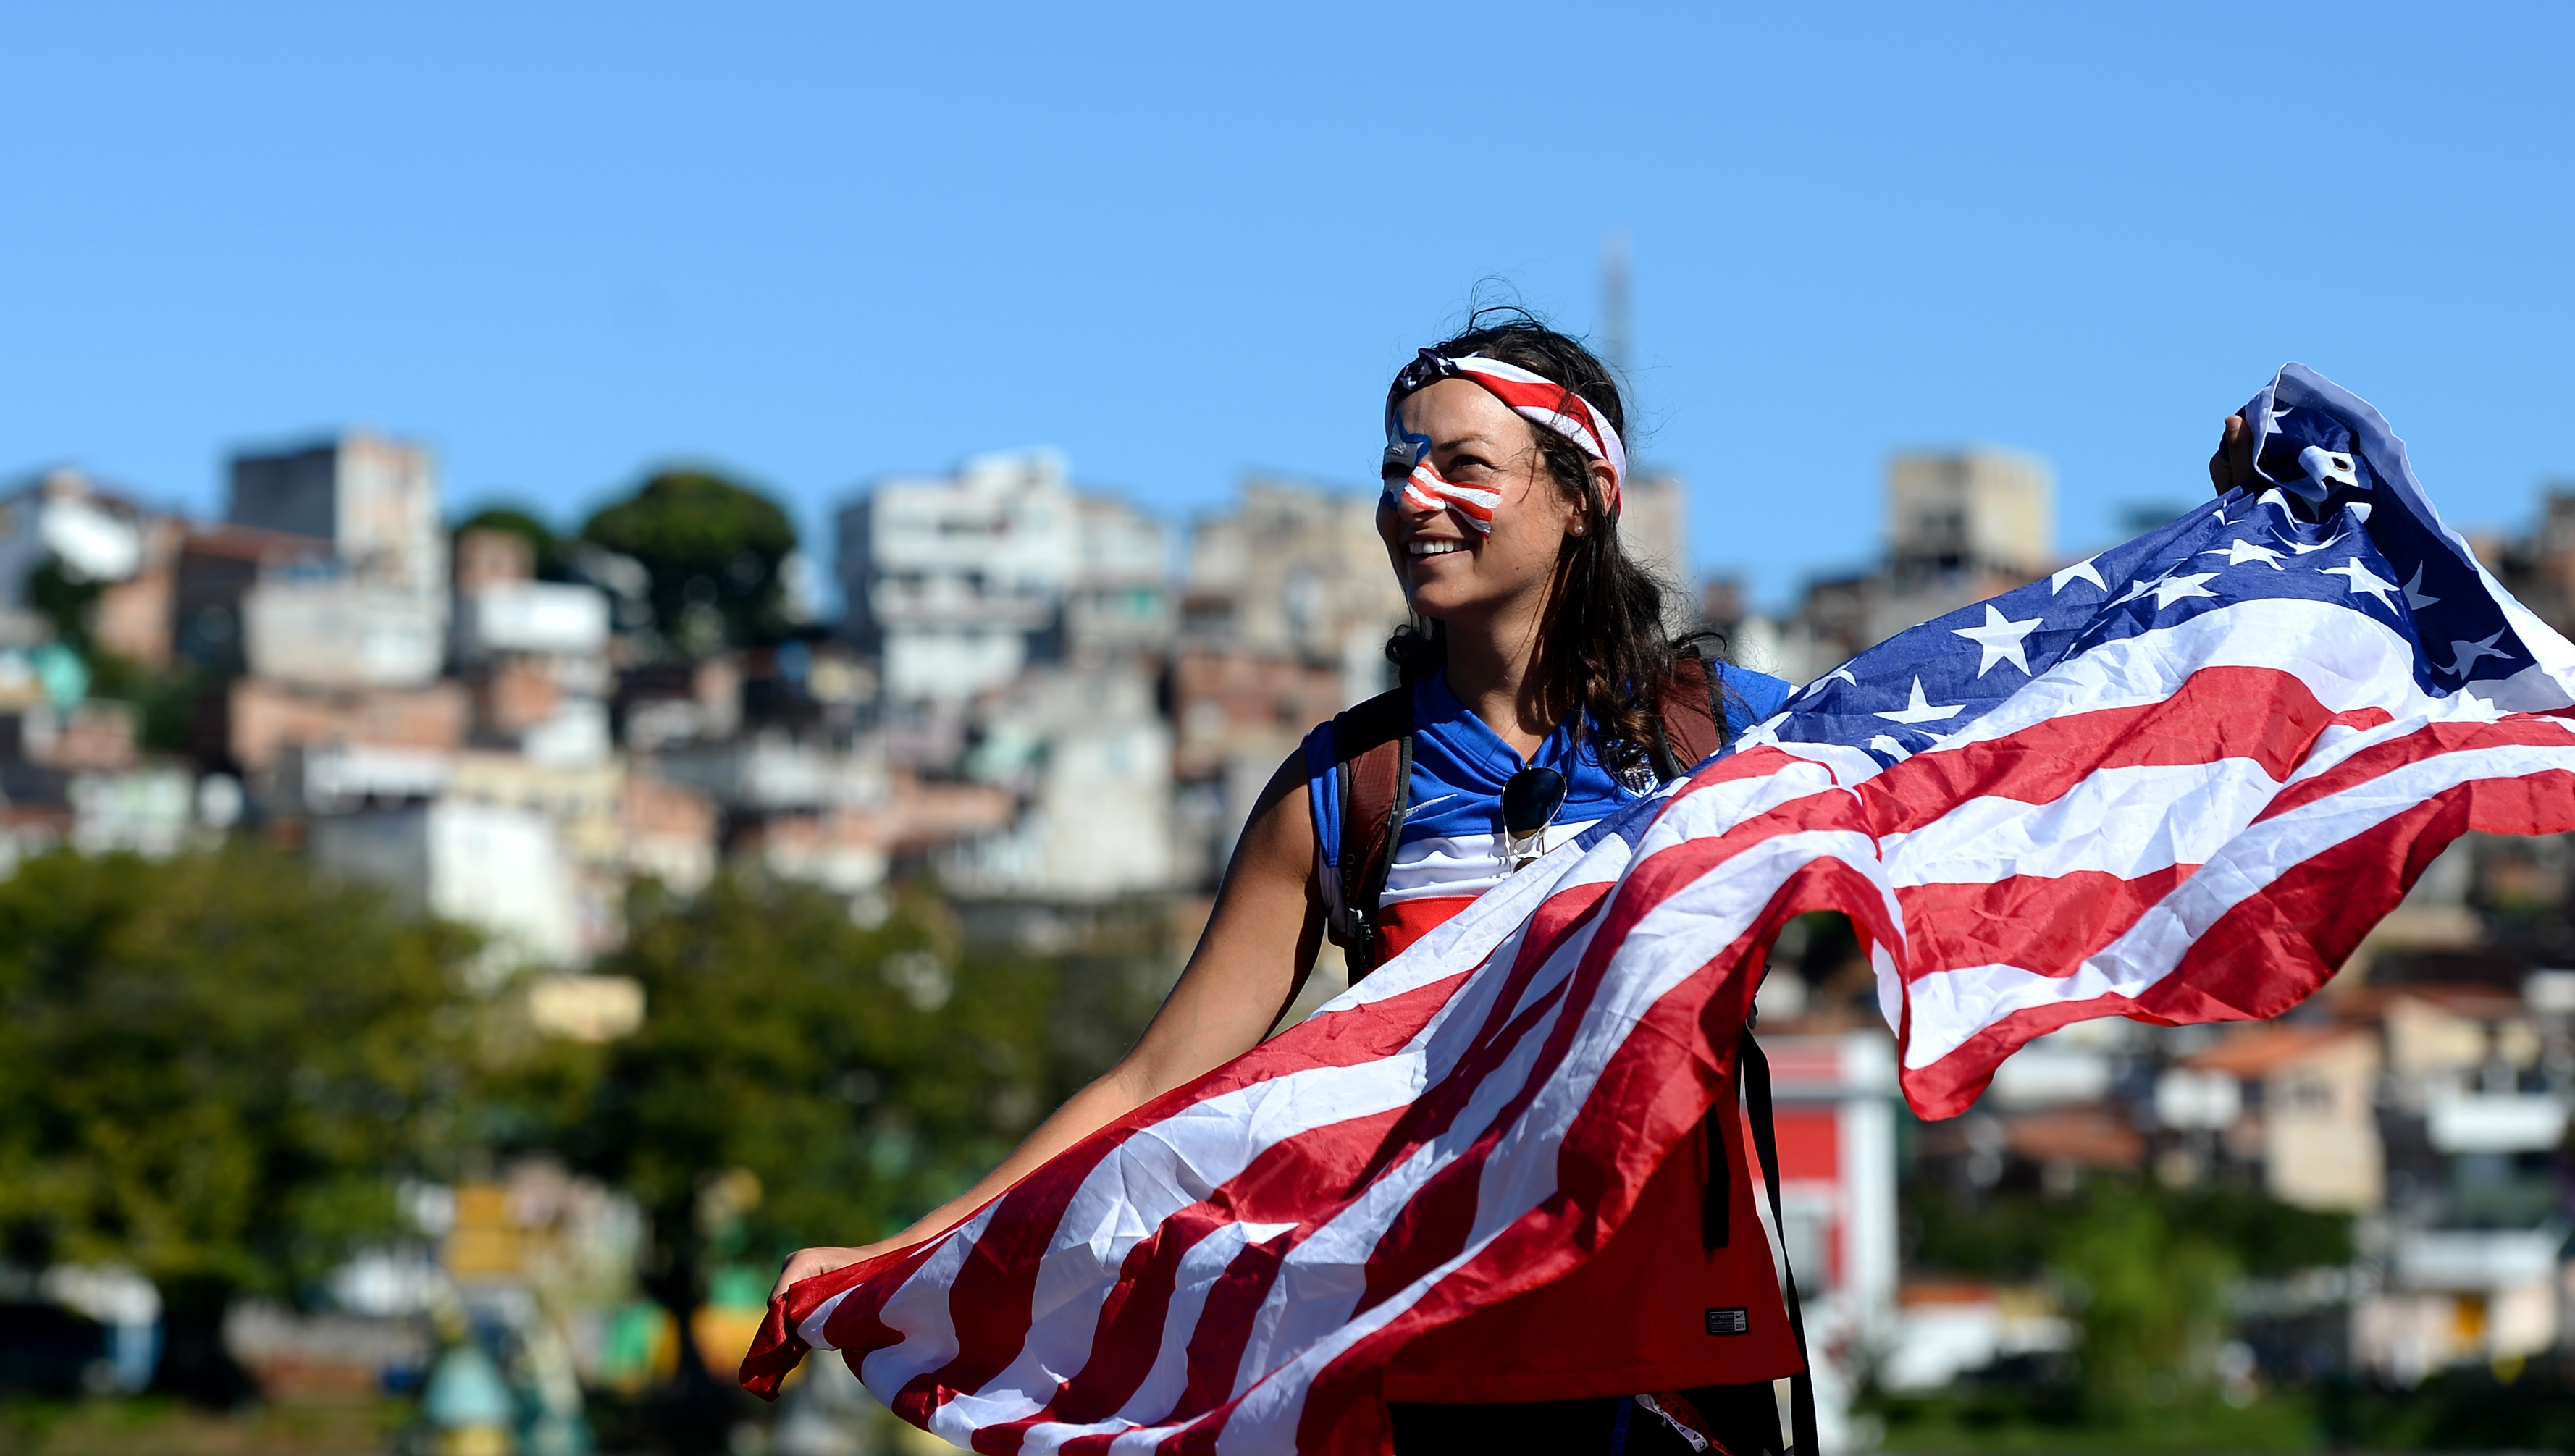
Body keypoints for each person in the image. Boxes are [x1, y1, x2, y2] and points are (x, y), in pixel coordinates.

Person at [776, 312, 2264, 1455]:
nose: (1409, 497)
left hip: (1678, 1372)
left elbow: (2007, 751)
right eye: (1392, 466)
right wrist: (911, 1246)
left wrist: (2231, 549)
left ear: (1576, 497)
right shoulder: (1340, 788)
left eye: (1459, 465)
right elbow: (1163, 1070)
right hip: (1435, 1369)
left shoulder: (1723, 737)